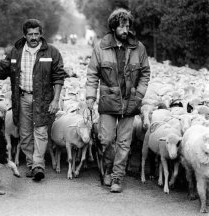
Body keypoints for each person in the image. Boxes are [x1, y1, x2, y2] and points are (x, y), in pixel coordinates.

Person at [0, 18, 66, 182]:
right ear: (25, 35)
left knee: (41, 132)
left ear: (41, 34)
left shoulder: (52, 52)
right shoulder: (15, 52)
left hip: (43, 99)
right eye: (31, 34)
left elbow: (58, 77)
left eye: (37, 34)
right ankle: (30, 164)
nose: (34, 37)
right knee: (25, 134)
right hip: (22, 98)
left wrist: (56, 100)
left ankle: (38, 165)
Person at [86, 8, 150, 193]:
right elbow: (92, 74)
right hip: (109, 101)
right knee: (105, 140)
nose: (126, 29)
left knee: (124, 142)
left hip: (131, 102)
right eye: (122, 26)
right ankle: (107, 168)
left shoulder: (139, 48)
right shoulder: (101, 47)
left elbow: (145, 72)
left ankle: (117, 176)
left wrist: (139, 95)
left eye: (128, 26)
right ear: (114, 27)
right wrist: (90, 97)